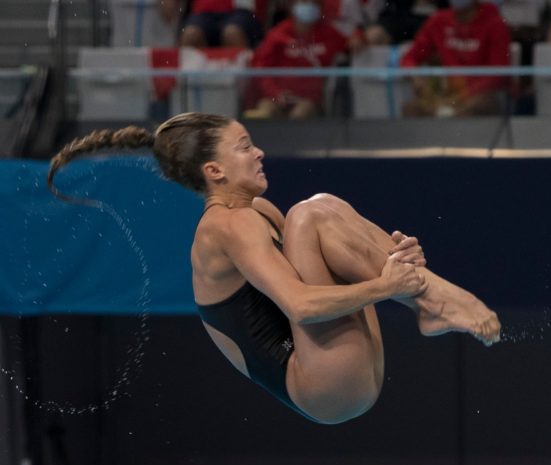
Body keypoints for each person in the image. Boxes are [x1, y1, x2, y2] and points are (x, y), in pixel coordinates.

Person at [46, 113, 501, 425]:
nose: (259, 152)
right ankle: (435, 299)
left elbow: (327, 269)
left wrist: (389, 257)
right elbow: (302, 305)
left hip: (338, 374)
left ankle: (431, 301)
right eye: (244, 147)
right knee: (311, 213)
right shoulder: (226, 226)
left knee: (319, 209)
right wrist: (386, 284)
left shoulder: (257, 210)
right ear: (215, 170)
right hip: (322, 385)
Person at [400, 0, 511, 117]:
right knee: (411, 108)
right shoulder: (438, 21)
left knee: (476, 106)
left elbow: (499, 74)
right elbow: (409, 58)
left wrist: (462, 96)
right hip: (446, 93)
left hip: (480, 94)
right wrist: (415, 77)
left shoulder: (495, 24)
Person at [244, 0, 349, 119]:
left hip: (309, 100)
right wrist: (275, 93)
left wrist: (359, 36)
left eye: (313, 3)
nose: (308, 6)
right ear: (293, 6)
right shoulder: (277, 34)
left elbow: (350, 43)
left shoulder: (329, 34)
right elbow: (260, 68)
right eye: (304, 2)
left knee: (299, 114)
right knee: (265, 110)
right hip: (276, 97)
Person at [179, 0, 268, 49]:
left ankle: (243, 81)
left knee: (232, 33)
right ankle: (191, 82)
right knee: (190, 35)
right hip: (203, 12)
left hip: (242, 12)